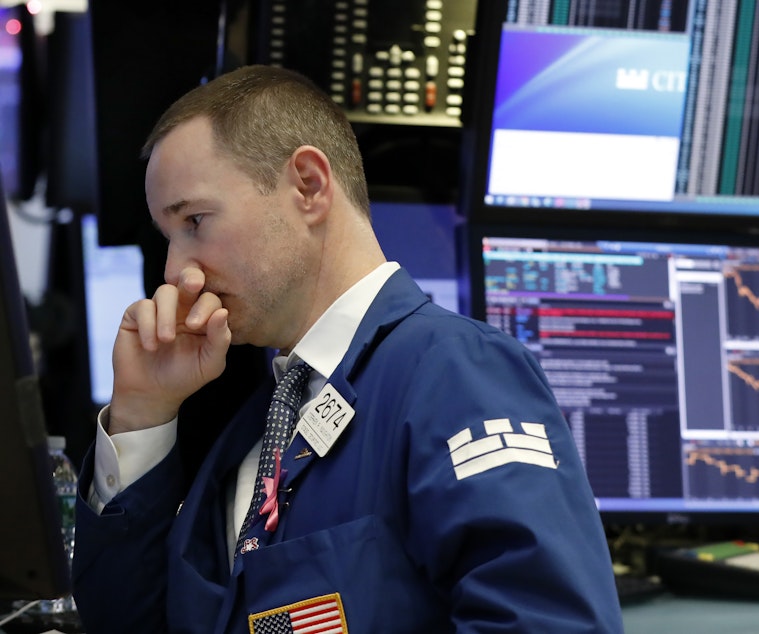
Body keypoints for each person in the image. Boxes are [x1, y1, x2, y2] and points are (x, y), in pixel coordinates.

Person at [72, 64, 624, 633]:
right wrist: (143, 416)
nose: (174, 270)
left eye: (195, 220)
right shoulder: (259, 424)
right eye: (169, 237)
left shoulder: (457, 373)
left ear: (309, 185)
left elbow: (548, 623)